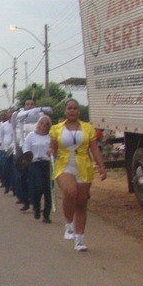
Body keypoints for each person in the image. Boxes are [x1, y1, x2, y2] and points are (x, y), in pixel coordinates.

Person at [49, 98, 106, 251]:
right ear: (65, 111)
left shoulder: (88, 128)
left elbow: (94, 149)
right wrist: (50, 153)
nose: (72, 111)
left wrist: (101, 166)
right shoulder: (56, 129)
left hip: (83, 166)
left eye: (75, 108)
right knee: (70, 192)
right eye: (69, 108)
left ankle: (79, 239)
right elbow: (53, 149)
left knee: (81, 203)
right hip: (64, 165)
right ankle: (68, 223)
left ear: (79, 111)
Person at [23, 115, 53, 223]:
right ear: (38, 124)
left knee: (48, 189)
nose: (44, 126)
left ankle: (46, 214)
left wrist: (52, 151)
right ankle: (36, 206)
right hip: (35, 164)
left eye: (46, 124)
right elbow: (26, 149)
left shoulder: (51, 136)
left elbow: (55, 149)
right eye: (42, 123)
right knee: (38, 187)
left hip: (47, 163)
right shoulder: (31, 135)